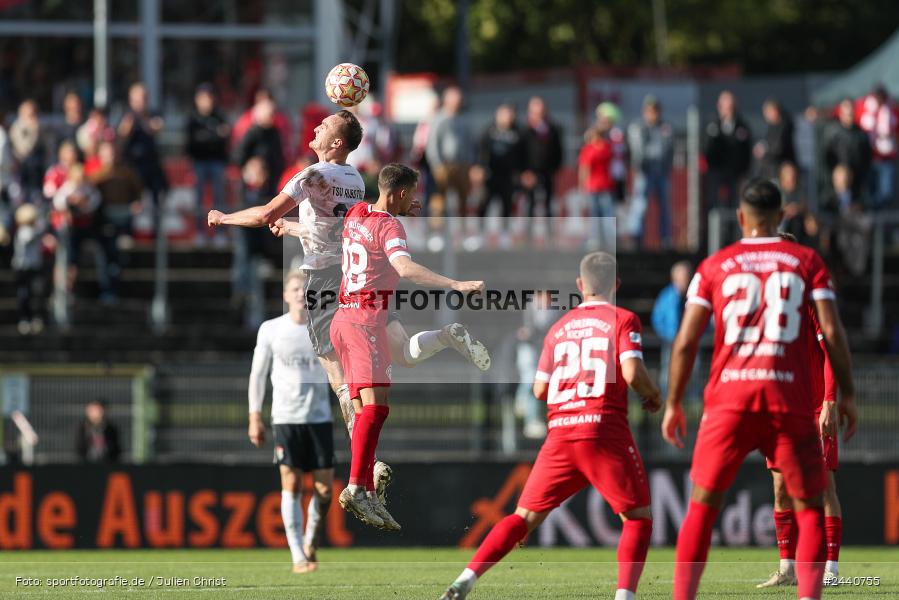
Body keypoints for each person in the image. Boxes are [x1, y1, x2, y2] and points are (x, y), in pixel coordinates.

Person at [210, 110, 491, 505]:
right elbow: (341, 230)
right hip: (362, 277)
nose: (316, 128)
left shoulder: (311, 176)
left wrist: (223, 217)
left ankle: (365, 471)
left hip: (327, 285)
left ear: (336, 143)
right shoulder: (355, 180)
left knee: (342, 383)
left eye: (324, 126)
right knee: (404, 353)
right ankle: (445, 336)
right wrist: (293, 228)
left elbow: (263, 214)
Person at [661, 179, 858, 600]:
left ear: (740, 218)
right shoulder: (806, 264)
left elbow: (685, 341)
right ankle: (802, 582)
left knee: (702, 505)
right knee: (806, 503)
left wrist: (674, 401)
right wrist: (850, 396)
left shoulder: (715, 265)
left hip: (732, 399)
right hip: (786, 399)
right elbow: (835, 333)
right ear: (781, 216)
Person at [439, 251, 661, 600]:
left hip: (562, 434)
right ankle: (624, 597)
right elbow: (632, 373)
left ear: (580, 285)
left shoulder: (559, 328)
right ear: (616, 285)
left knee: (522, 517)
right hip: (603, 428)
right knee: (637, 519)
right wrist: (654, 395)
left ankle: (465, 579)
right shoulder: (623, 319)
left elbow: (540, 390)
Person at [331, 163, 487, 530]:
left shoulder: (357, 212)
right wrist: (455, 284)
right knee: (375, 409)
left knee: (366, 409)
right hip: (366, 322)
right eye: (412, 194)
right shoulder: (390, 227)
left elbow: (340, 229)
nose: (415, 200)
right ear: (401, 193)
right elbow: (404, 267)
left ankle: (367, 489)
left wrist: (288, 226)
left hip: (344, 319)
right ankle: (356, 487)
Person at [757, 232, 844, 588]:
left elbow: (832, 353)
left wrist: (830, 401)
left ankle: (831, 571)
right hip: (781, 410)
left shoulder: (812, 301)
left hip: (814, 408)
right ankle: (787, 568)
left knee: (823, 487)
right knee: (780, 487)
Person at [248, 271, 333, 574]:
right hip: (286, 417)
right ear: (285, 295)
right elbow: (258, 374)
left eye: (305, 289)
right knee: (291, 483)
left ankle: (310, 540)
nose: (301, 293)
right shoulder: (271, 329)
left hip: (319, 417)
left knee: (325, 491)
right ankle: (298, 555)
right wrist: (255, 416)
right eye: (295, 288)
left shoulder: (324, 328)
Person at [627, 95, 674, 248]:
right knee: (640, 204)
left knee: (665, 206)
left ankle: (665, 239)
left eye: (655, 110)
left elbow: (669, 149)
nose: (653, 113)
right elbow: (638, 150)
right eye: (650, 110)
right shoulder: (638, 127)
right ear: (644, 111)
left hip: (661, 171)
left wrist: (666, 166)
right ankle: (636, 237)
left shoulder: (665, 127)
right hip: (645, 172)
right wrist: (642, 164)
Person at [187, 83, 230, 246]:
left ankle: (220, 233)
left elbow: (224, 139)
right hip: (199, 162)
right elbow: (192, 141)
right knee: (198, 199)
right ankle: (199, 232)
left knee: (219, 197)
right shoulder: (193, 118)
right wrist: (213, 135)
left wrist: (209, 137)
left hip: (217, 162)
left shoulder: (219, 116)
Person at [425, 86, 473, 226]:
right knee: (439, 200)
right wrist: (437, 164)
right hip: (443, 165)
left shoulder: (463, 119)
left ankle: (462, 230)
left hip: (462, 165)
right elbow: (432, 143)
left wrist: (470, 163)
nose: (458, 103)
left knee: (463, 200)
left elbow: (469, 143)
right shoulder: (439, 119)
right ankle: (436, 230)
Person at [473, 103, 524, 231]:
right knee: (483, 204)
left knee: (507, 206)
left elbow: (523, 154)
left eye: (510, 115)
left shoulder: (518, 133)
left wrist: (520, 172)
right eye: (504, 114)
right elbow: (480, 150)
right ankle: (479, 232)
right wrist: (478, 168)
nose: (507, 117)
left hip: (508, 177)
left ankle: (504, 234)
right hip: (490, 175)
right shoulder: (489, 131)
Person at [118, 83, 167, 209]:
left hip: (151, 163)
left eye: (143, 98)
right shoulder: (126, 115)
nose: (140, 102)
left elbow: (156, 127)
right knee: (134, 198)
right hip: (133, 164)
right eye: (137, 99)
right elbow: (121, 134)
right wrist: (130, 122)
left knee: (158, 195)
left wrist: (143, 119)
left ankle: (156, 219)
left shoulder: (152, 114)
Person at [704, 90, 752, 210]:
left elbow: (746, 150)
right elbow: (706, 148)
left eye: (731, 106)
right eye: (725, 106)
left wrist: (744, 171)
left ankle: (732, 222)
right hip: (716, 171)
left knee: (734, 203)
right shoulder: (712, 125)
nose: (728, 110)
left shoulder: (742, 126)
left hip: (735, 173)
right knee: (714, 202)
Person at [651, 260, 692, 397]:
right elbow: (657, 319)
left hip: (690, 342)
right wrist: (668, 336)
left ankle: (692, 401)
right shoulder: (666, 296)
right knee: (668, 370)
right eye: (681, 277)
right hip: (670, 342)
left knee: (692, 370)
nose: (684, 280)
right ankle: (667, 398)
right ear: (674, 278)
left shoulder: (694, 295)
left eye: (686, 276)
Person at [521, 96, 563, 220]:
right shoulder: (524, 131)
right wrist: (525, 171)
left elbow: (558, 150)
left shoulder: (553, 129)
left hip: (548, 172)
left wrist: (555, 168)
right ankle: (529, 230)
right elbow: (519, 153)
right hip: (530, 173)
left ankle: (549, 230)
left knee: (548, 204)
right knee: (530, 204)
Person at [856, 85, 898, 210]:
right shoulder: (864, 107)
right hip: (868, 156)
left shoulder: (892, 109)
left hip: (886, 157)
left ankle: (879, 212)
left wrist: (890, 135)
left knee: (886, 192)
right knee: (870, 190)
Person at [823, 98, 871, 200]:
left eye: (851, 112)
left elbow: (867, 157)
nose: (849, 115)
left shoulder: (860, 133)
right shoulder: (833, 132)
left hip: (857, 179)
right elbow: (826, 156)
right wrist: (837, 172)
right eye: (846, 113)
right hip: (838, 178)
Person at [578, 123, 615, 249]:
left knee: (603, 214)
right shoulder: (605, 148)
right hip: (597, 186)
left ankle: (603, 239)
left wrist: (582, 184)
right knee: (599, 214)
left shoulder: (594, 149)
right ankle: (599, 239)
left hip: (600, 185)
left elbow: (584, 168)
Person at [12, 203, 47, 335]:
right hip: (24, 268)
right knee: (25, 294)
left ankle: (33, 318)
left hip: (33, 267)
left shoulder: (31, 230)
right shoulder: (25, 231)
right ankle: (25, 319)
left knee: (35, 294)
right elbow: (29, 238)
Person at [10, 99, 48, 203]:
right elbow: (25, 149)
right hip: (21, 175)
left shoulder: (42, 130)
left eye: (34, 114)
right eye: (29, 114)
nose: (32, 117)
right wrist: (34, 129)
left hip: (37, 177)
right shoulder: (16, 129)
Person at [754, 98, 796, 180]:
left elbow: (778, 147)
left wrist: (763, 151)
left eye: (767, 111)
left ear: (775, 110)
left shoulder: (784, 126)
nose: (765, 115)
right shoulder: (772, 126)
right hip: (772, 171)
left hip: (780, 171)